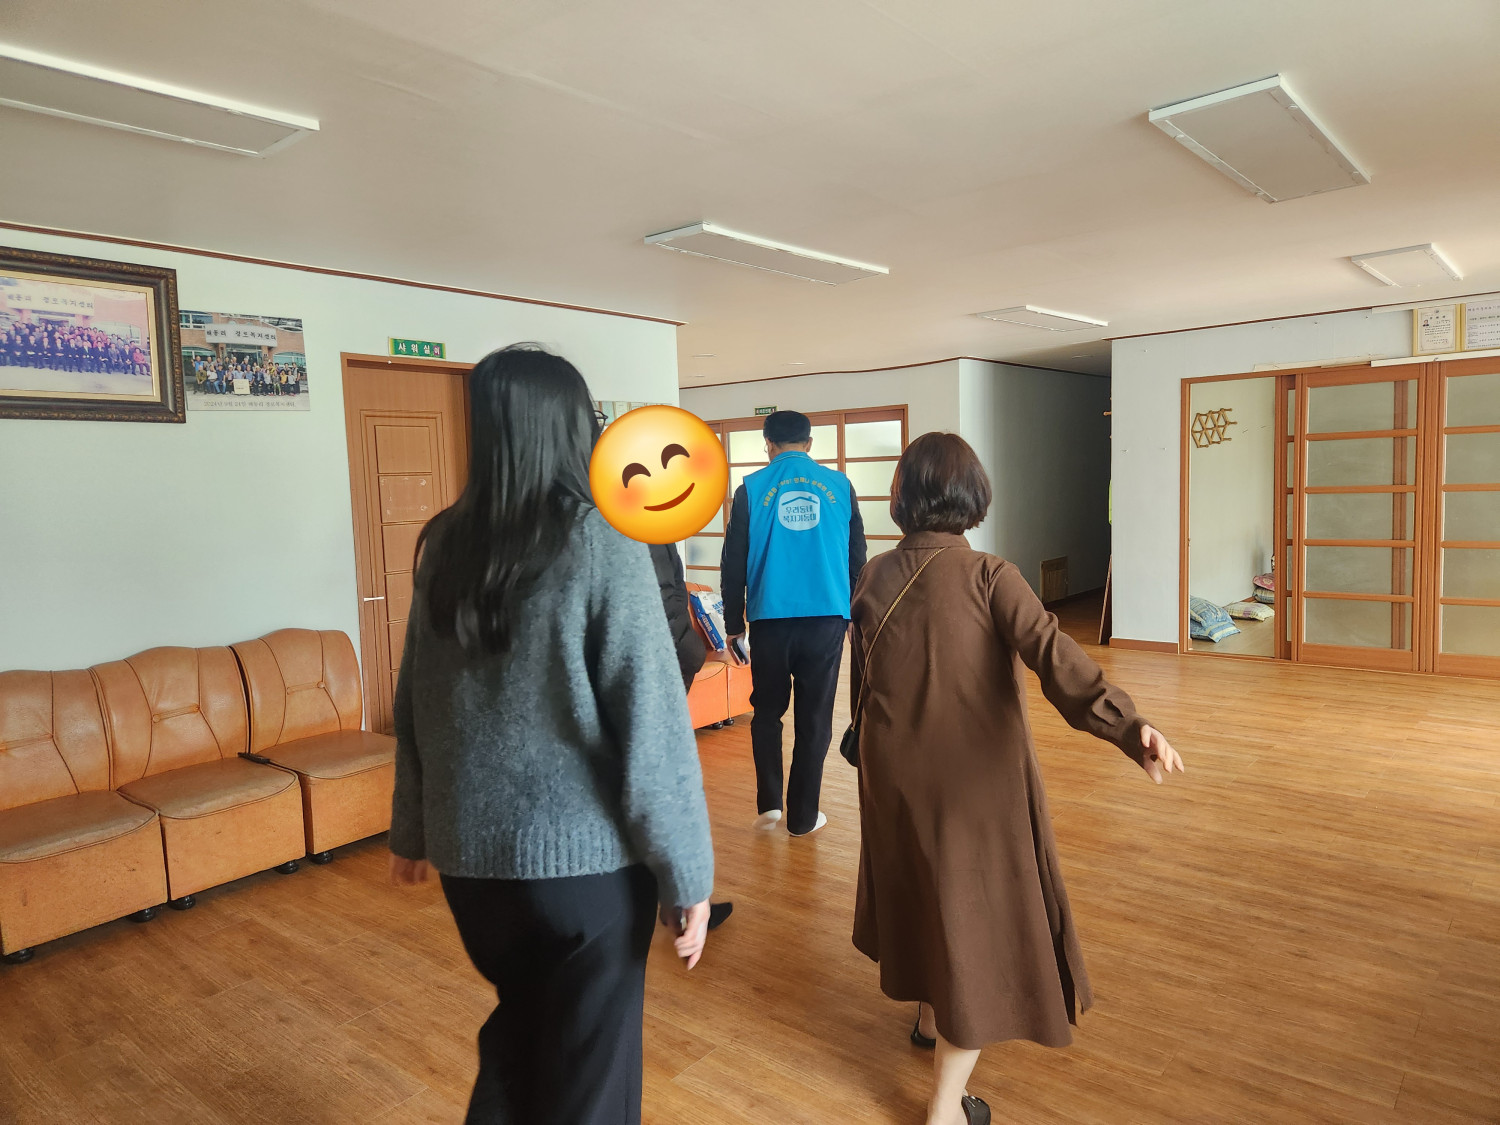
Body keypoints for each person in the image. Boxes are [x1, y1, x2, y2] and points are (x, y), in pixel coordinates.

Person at [387, 344, 716, 1125]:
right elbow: (652, 722)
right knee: (589, 1089)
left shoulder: (447, 545)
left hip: (474, 871)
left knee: (520, 1044)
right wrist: (689, 874)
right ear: (574, 427)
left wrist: (413, 827)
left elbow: (416, 699)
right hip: (585, 877)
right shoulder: (603, 536)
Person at [848, 432, 1184, 1125]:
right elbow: (1054, 657)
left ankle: (928, 1017)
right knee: (975, 921)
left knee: (922, 889)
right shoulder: (990, 575)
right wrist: (1130, 726)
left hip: (892, 773)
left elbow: (865, 681)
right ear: (974, 495)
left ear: (902, 496)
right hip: (969, 782)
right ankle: (945, 1109)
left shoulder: (874, 573)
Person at [721, 409, 866, 837]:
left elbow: (733, 563)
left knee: (767, 710)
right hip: (827, 617)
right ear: (810, 443)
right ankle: (802, 817)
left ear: (767, 444)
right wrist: (856, 613)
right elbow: (856, 557)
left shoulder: (750, 489)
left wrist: (733, 623)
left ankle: (769, 803)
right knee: (814, 716)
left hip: (769, 618)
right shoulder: (840, 486)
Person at [647, 538, 735, 932]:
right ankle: (682, 900)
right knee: (665, 785)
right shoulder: (640, 526)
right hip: (655, 667)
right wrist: (692, 652)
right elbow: (665, 597)